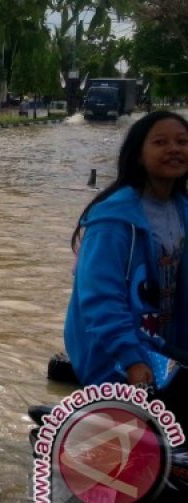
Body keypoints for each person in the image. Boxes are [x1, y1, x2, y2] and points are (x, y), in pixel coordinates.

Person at [64, 111, 188, 417]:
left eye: (182, 142)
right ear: (138, 156)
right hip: (118, 356)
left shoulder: (182, 210)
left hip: (164, 348)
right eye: (161, 142)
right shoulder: (114, 220)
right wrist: (131, 358)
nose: (174, 148)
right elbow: (99, 298)